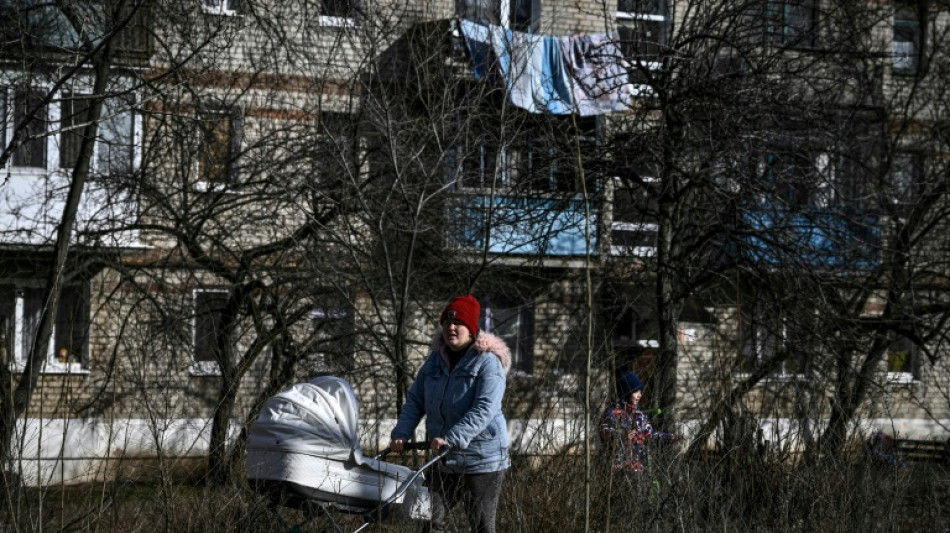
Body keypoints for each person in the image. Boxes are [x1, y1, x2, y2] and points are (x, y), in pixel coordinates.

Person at [389, 294, 511, 533]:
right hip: (443, 459)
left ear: (471, 329)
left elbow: (485, 408)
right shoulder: (435, 361)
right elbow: (415, 401)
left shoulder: (488, 363)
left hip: (482, 460)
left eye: (458, 323)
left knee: (482, 527)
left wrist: (452, 438)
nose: (451, 328)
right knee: (429, 523)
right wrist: (401, 433)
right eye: (447, 322)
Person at [598, 369, 670, 474]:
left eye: (640, 392)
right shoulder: (612, 413)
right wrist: (622, 436)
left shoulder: (640, 415)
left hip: (637, 471)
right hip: (616, 471)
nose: (639, 395)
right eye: (636, 392)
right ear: (627, 393)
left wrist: (668, 437)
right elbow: (604, 433)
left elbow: (649, 435)